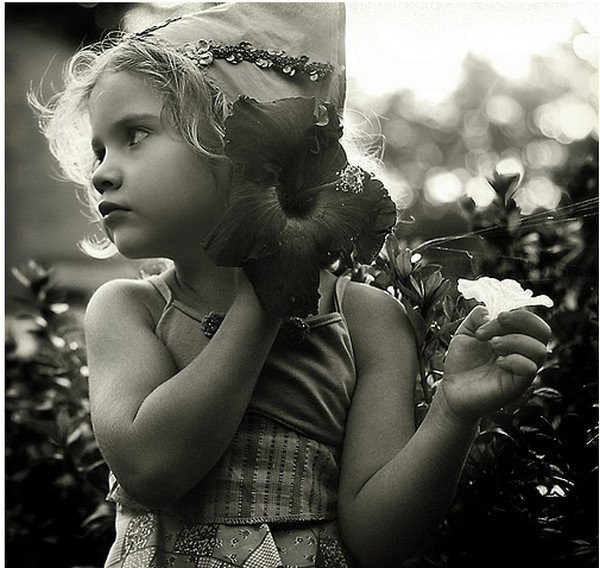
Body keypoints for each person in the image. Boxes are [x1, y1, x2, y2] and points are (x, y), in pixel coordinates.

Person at [31, 3, 551, 567]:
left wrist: (453, 413)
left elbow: (378, 542)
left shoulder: (370, 320)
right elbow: (151, 469)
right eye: (99, 149)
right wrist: (264, 302)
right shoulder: (128, 309)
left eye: (135, 135)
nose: (101, 171)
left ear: (247, 146)